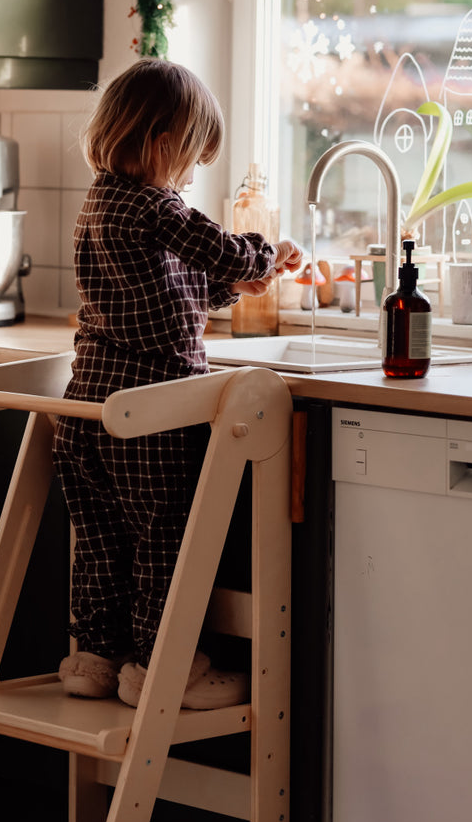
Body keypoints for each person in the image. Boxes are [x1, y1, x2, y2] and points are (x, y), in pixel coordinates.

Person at [54, 58, 302, 710]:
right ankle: (162, 668)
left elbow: (176, 288)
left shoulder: (100, 200)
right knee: (164, 539)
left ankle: (94, 657)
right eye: (192, 163)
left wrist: (242, 282)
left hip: (88, 406)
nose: (192, 179)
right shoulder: (157, 204)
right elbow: (217, 248)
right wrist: (267, 255)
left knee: (102, 542)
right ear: (164, 146)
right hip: (154, 411)